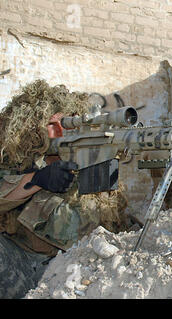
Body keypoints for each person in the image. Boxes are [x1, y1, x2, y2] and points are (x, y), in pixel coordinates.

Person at [0, 81, 130, 298]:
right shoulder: (17, 160)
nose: (60, 132)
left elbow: (107, 223)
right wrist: (38, 179)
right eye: (53, 126)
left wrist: (102, 165)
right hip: (20, 260)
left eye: (66, 125)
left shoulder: (89, 161)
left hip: (72, 269)